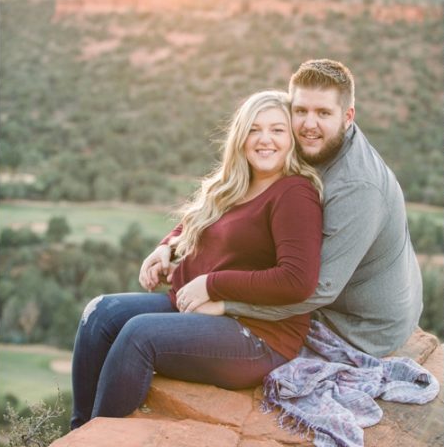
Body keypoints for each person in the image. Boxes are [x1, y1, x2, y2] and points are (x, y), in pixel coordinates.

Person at [70, 90, 322, 429]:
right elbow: (197, 221)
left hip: (258, 336)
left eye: (277, 130)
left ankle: (98, 445)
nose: (265, 140)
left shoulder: (294, 193)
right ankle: (80, 432)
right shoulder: (237, 182)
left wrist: (211, 285)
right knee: (99, 314)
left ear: (292, 139)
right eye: (254, 129)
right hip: (196, 309)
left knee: (139, 335)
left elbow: (297, 280)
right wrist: (168, 248)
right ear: (240, 136)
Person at [141, 59, 424, 357]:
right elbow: (234, 201)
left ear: (347, 116)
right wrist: (172, 245)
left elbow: (318, 289)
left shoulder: (358, 188)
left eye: (323, 113)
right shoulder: (299, 144)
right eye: (300, 111)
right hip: (331, 293)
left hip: (358, 325)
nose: (309, 124)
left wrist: (223, 301)